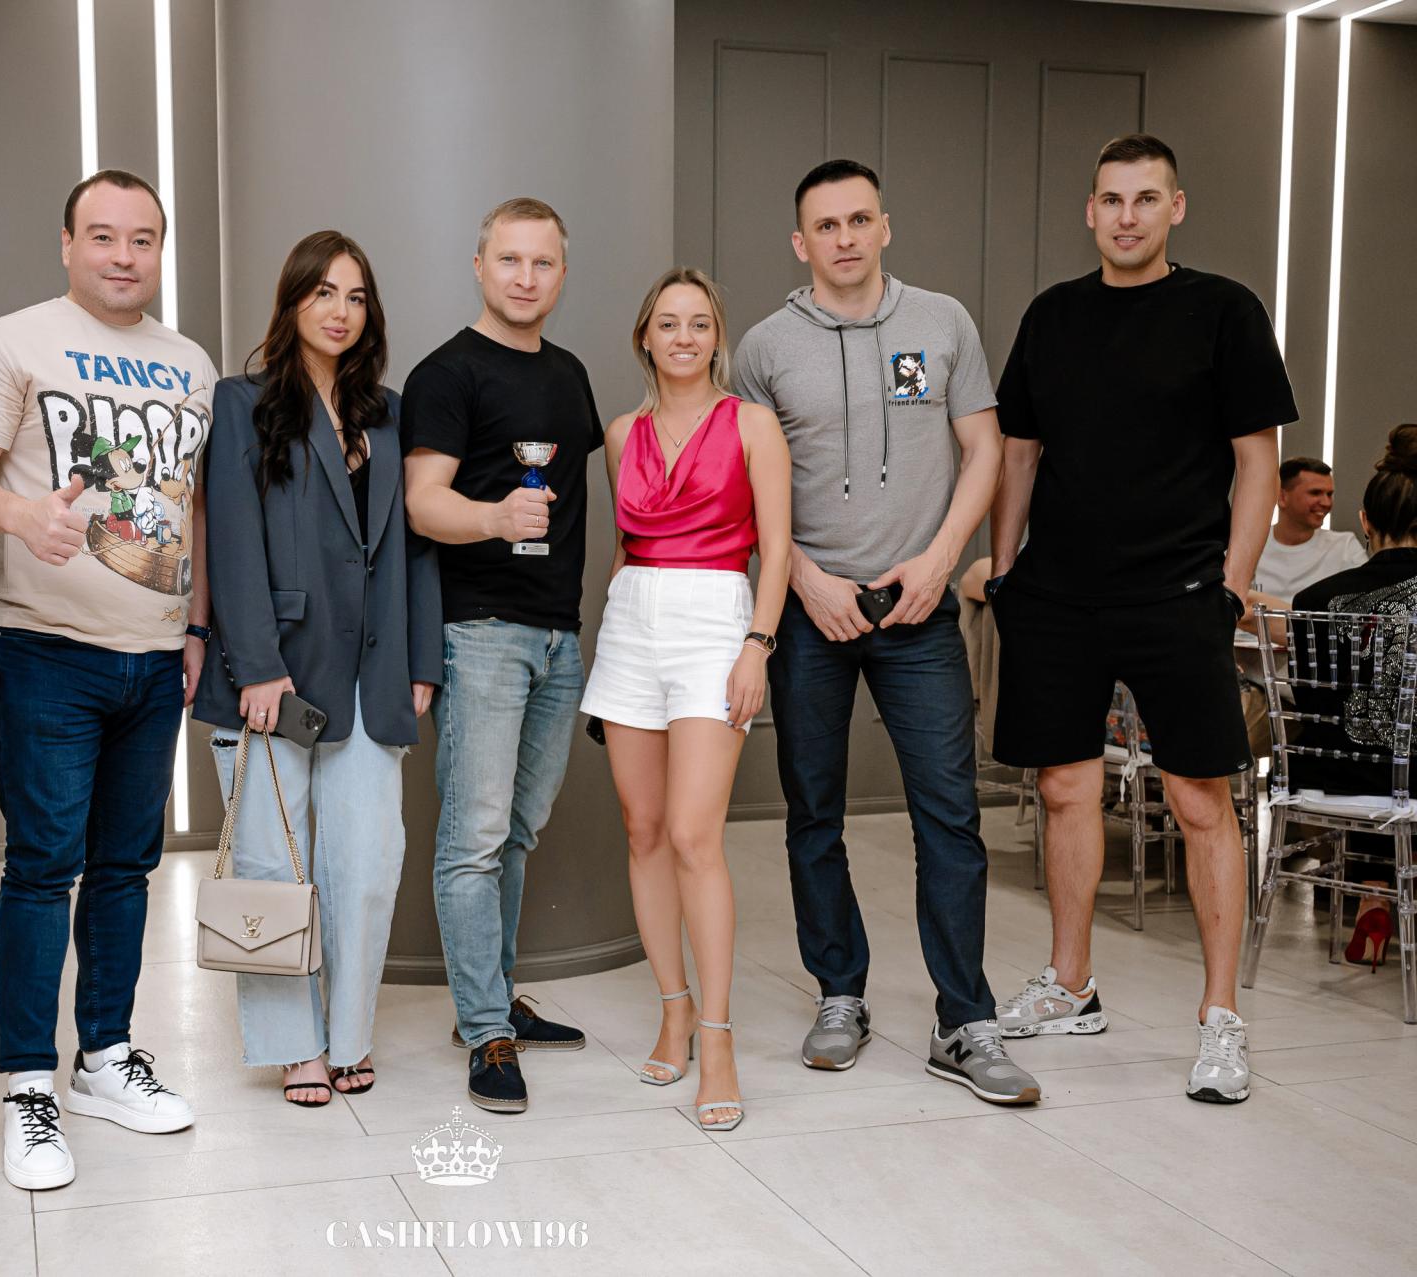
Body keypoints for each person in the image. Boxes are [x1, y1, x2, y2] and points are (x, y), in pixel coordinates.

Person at [988, 134, 1295, 1105]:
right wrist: (1004, 570)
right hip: (1059, 594)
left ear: (1176, 207)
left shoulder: (1224, 311)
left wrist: (1232, 584)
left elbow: (1258, 462)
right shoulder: (1052, 315)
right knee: (1065, 786)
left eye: (1146, 198)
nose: (1127, 216)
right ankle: (1071, 983)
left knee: (1203, 801)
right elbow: (1019, 452)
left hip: (1179, 592)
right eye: (1112, 199)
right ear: (1090, 210)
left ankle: (1220, 1018)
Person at [733, 159, 1039, 1105]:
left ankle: (964, 1019)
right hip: (812, 614)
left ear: (885, 226)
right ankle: (840, 993)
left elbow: (985, 448)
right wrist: (804, 580)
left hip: (919, 610)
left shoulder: (943, 323)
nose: (845, 238)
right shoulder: (763, 347)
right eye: (826, 225)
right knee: (813, 814)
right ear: (800, 241)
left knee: (949, 814)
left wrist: (943, 558)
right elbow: (746, 491)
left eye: (859, 219)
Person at [0, 169, 213, 1189]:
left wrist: (196, 624)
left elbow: (190, 505)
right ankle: (27, 1084)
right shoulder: (11, 342)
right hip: (47, 649)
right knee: (43, 866)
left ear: (160, 249)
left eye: (142, 238)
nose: (123, 255)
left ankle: (104, 1056)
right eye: (102, 235)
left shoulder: (190, 363)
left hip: (155, 657)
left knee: (127, 866)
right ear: (67, 244)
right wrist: (22, 516)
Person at [194, 231, 441, 1107]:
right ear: (293, 300)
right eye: (324, 292)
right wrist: (256, 663)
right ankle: (293, 1044)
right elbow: (232, 536)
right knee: (271, 864)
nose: (341, 311)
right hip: (277, 676)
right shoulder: (244, 402)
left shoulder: (390, 411)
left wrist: (421, 657)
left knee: (367, 866)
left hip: (375, 675)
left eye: (356, 296)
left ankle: (349, 1036)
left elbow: (414, 544)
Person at [402, 197, 600, 1114]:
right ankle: (486, 1030)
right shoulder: (447, 373)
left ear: (562, 272)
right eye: (510, 260)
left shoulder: (570, 374)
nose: (526, 277)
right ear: (480, 266)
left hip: (559, 633)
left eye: (542, 262)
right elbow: (421, 502)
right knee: (473, 840)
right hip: (480, 630)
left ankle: (493, 998)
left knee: (517, 831)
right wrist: (492, 517)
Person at [584, 268, 791, 1130]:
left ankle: (717, 1034)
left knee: (694, 834)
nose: (683, 337)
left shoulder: (752, 424)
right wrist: (614, 632)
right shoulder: (620, 432)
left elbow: (777, 549)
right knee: (643, 829)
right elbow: (627, 545)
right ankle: (673, 1007)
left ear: (717, 336)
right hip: (633, 620)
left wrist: (757, 646)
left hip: (716, 621)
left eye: (698, 323)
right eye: (667, 323)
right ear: (645, 336)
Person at [1279, 426, 1417, 970]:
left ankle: (1373, 895)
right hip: (1407, 773)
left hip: (1334, 775)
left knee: (1376, 758)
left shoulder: (1315, 599)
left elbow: (1308, 699)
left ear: (1365, 522)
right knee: (1400, 762)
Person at [1249, 457, 1366, 607]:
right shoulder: (1251, 546)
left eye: (1329, 494)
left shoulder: (1345, 547)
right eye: (1315, 493)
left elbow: (1365, 602)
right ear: (1282, 497)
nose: (1326, 502)